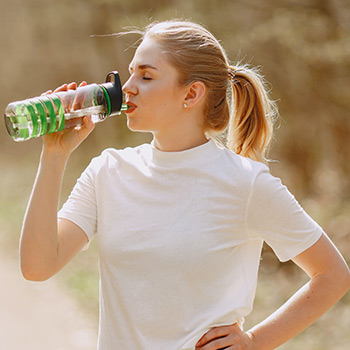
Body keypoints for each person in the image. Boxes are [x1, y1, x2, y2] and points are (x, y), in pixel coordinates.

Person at [20, 20, 350, 350]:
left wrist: (255, 342)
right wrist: (54, 154)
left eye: (146, 76)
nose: (128, 87)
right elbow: (37, 266)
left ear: (191, 93)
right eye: (130, 73)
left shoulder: (245, 183)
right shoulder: (107, 172)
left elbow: (332, 275)